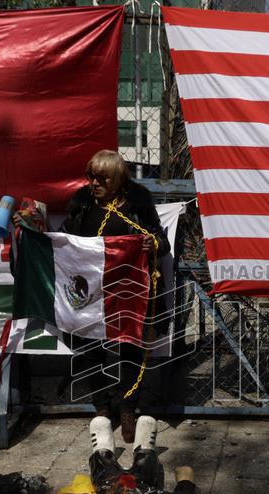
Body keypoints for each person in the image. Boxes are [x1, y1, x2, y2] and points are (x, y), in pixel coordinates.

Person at [62, 150, 170, 443]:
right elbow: (64, 241)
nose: (94, 183)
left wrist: (152, 243)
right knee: (88, 349)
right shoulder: (82, 203)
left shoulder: (138, 202)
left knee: (131, 350)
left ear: (118, 179)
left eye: (102, 178)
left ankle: (127, 407)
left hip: (128, 291)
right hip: (91, 293)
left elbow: (163, 242)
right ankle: (101, 406)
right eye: (91, 176)